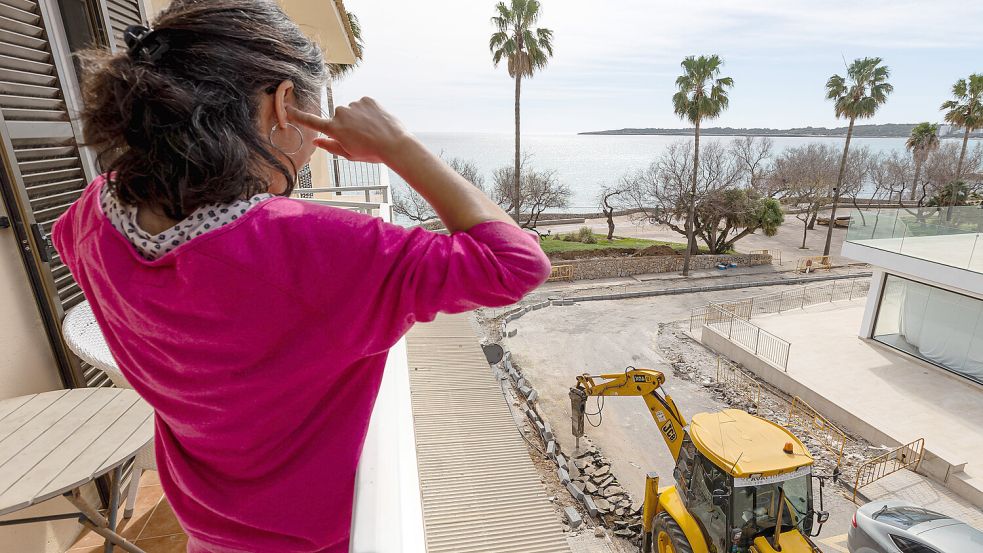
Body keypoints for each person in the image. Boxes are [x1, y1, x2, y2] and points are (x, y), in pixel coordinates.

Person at [52, 1, 550, 551]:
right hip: (313, 538)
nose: (314, 148)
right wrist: (398, 147)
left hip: (202, 523)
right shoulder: (321, 249)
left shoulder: (90, 218)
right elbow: (516, 263)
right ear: (285, 105)